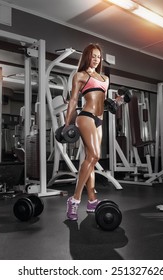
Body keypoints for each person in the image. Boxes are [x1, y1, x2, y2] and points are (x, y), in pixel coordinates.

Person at [64, 43, 109, 221]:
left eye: (98, 56)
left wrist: (117, 101)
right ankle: (74, 199)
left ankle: (91, 200)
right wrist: (67, 124)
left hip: (99, 120)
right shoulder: (80, 75)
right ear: (86, 57)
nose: (96, 59)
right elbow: (73, 100)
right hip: (86, 117)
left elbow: (104, 101)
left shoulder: (105, 78)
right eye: (93, 56)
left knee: (90, 157)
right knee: (95, 156)